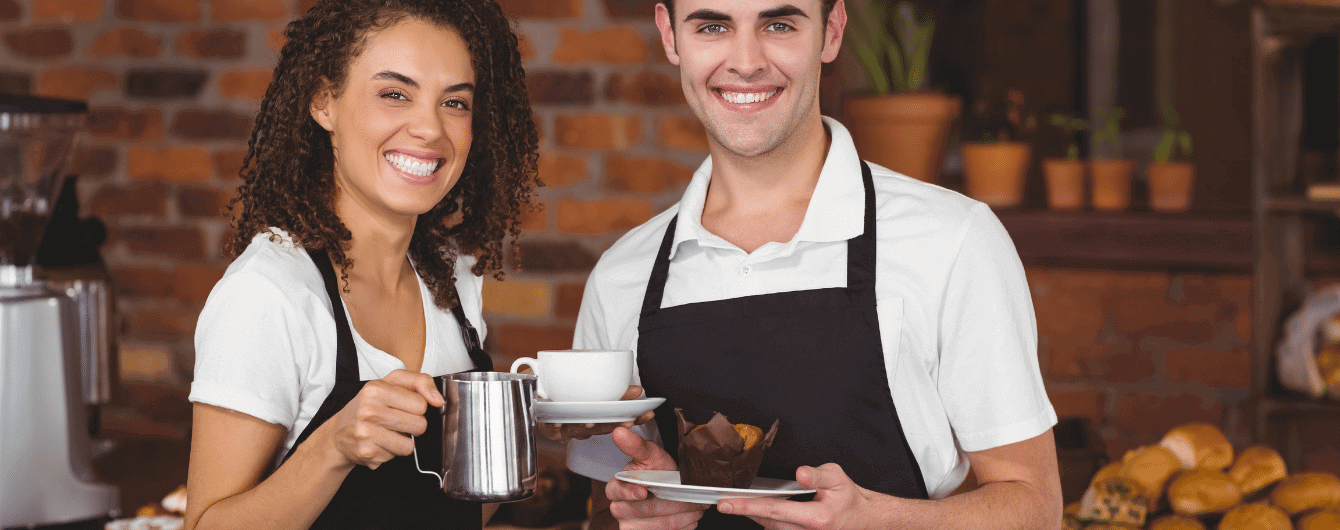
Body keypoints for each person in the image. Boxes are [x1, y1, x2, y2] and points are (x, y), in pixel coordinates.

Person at [565, 0, 1064, 528]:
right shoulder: (622, 275)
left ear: (831, 32)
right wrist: (648, 510)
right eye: (713, 26)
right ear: (671, 37)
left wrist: (880, 520)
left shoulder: (952, 239)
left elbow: (1035, 506)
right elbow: (602, 506)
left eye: (778, 25)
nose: (747, 60)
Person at [183, 0, 539, 528]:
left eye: (456, 103)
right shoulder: (270, 294)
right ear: (324, 101)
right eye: (395, 94)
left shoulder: (452, 277)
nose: (430, 129)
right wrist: (333, 447)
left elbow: (447, 513)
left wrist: (526, 434)